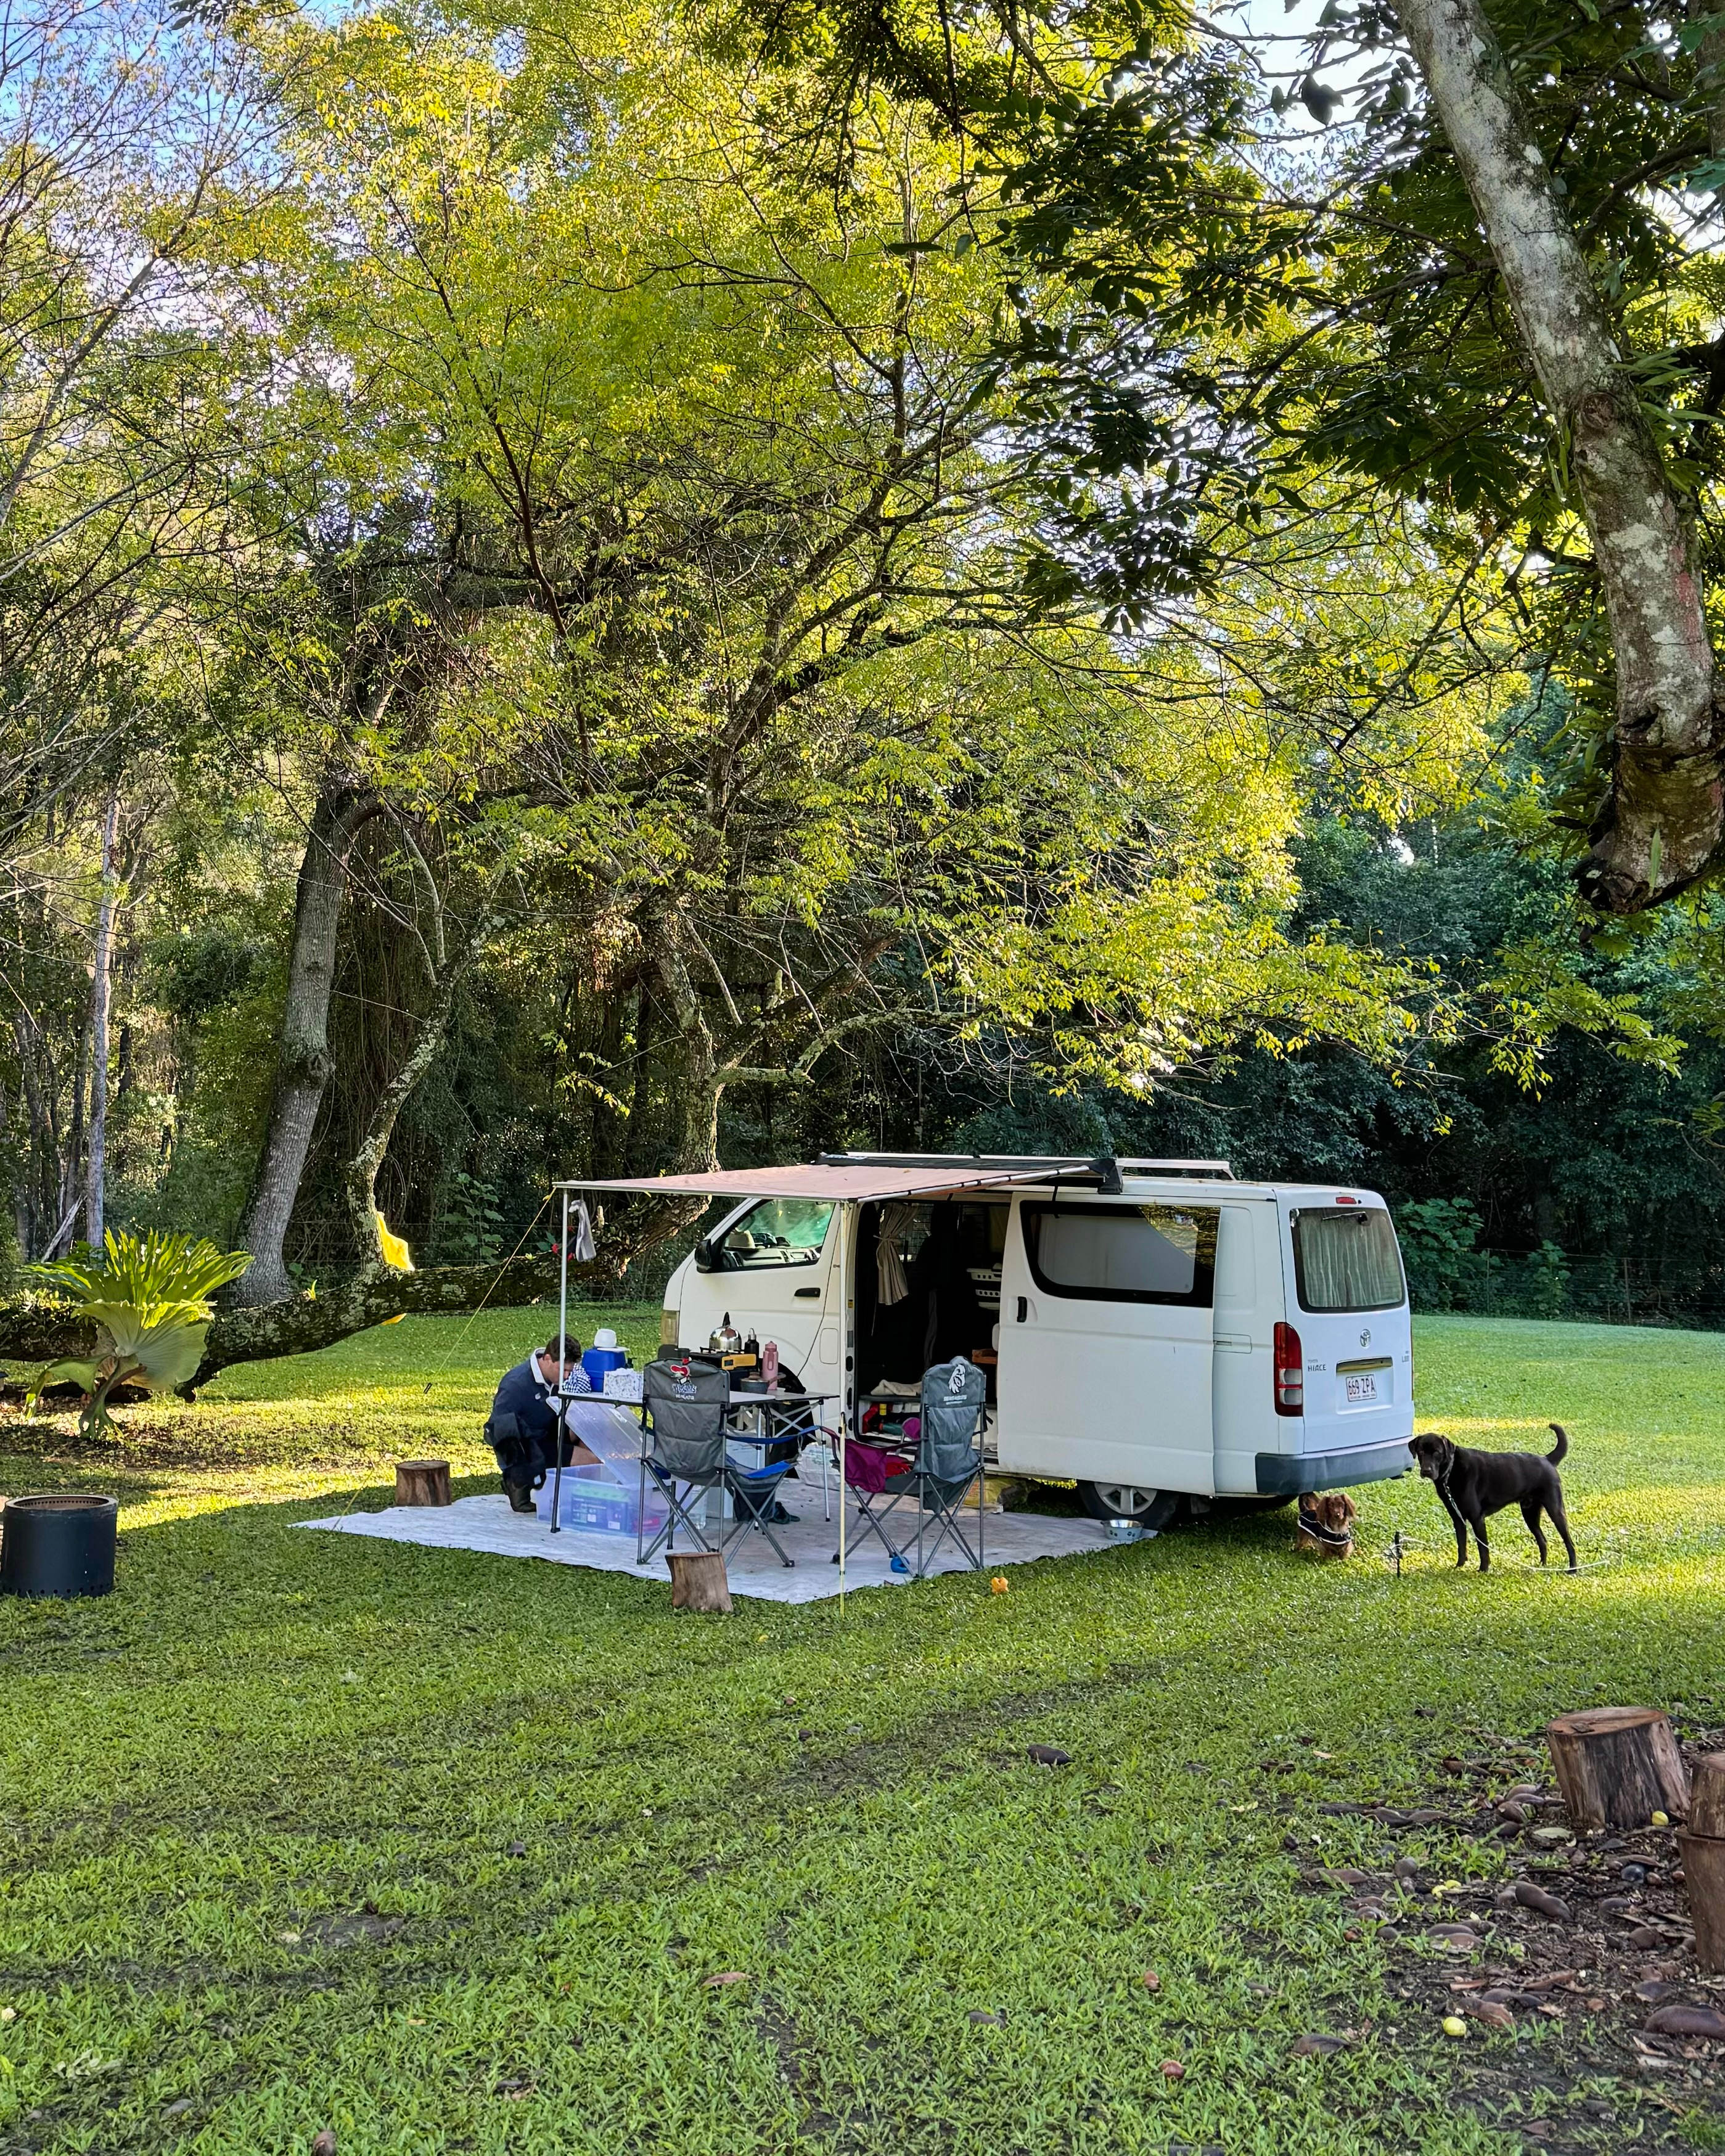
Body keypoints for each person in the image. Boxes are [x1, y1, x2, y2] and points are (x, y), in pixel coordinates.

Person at [485, 1335, 592, 1512]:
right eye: (563, 1371)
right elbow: (499, 1431)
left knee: (589, 1435)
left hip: (550, 1429)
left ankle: (575, 1496)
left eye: (570, 1371)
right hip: (531, 1445)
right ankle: (575, 1503)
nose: (566, 1377)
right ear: (548, 1359)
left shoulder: (556, 1377)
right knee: (592, 1460)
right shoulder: (516, 1386)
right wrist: (516, 1471)